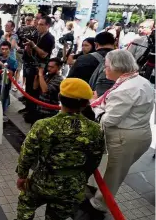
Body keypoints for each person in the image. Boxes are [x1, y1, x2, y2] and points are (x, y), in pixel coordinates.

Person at [16, 78, 104, 220]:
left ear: (59, 97)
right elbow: (94, 160)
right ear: (85, 104)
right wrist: (80, 178)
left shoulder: (43, 125)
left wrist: (22, 176)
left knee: (26, 203)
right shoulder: (95, 129)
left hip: (42, 181)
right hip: (72, 187)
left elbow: (27, 154)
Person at [88, 50, 154, 215]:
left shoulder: (126, 89)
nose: (105, 70)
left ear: (118, 66)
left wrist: (94, 108)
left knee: (114, 174)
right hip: (139, 134)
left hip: (125, 137)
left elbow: (109, 120)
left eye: (107, 66)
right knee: (116, 170)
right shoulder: (139, 80)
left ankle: (100, 204)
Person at [19, 16, 55, 119]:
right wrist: (28, 47)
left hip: (39, 68)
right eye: (38, 24)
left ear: (47, 26)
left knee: (34, 91)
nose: (38, 26)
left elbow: (43, 54)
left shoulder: (49, 38)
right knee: (28, 89)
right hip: (30, 64)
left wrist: (33, 46)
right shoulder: (37, 35)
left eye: (41, 24)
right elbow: (32, 51)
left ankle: (32, 112)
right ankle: (28, 108)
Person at [68, 32, 115, 96]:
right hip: (108, 99)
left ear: (96, 45)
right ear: (115, 43)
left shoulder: (83, 59)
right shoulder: (122, 60)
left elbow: (69, 81)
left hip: (83, 98)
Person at [24, 57, 63, 124]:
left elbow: (45, 90)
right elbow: (35, 87)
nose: (49, 69)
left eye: (52, 67)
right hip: (39, 109)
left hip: (49, 112)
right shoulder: (47, 76)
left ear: (58, 68)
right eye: (48, 66)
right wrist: (37, 75)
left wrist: (40, 75)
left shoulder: (59, 79)